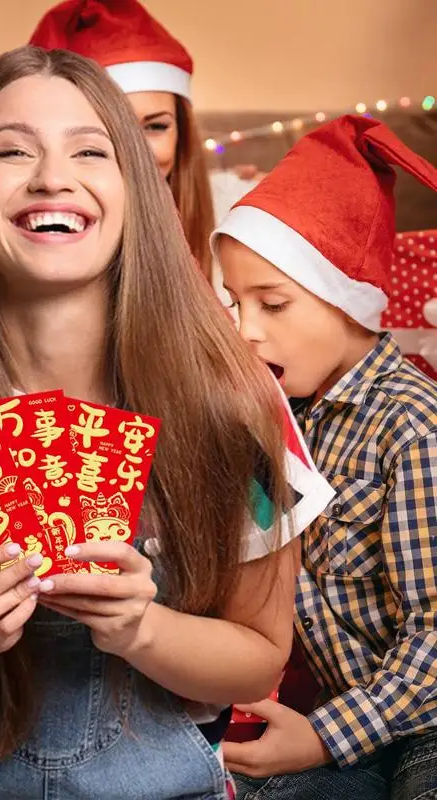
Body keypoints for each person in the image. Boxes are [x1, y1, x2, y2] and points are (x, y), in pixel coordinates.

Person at [0, 46, 335, 799]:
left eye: (90, 151)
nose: (52, 176)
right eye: (12, 150)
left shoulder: (231, 403)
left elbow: (258, 661)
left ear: (135, 191)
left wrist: (144, 629)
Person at [212, 115, 437, 800]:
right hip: (347, 725)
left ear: (347, 300)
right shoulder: (282, 416)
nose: (246, 331)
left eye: (272, 303)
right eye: (235, 303)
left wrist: (324, 737)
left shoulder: (413, 427)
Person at [28, 0, 259, 286]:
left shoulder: (239, 222)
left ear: (181, 135)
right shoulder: (37, 244)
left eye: (156, 126)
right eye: (111, 128)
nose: (139, 153)